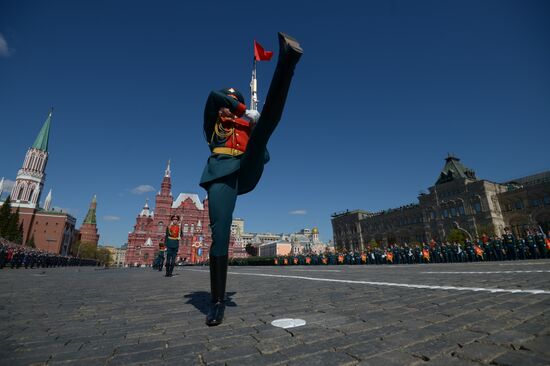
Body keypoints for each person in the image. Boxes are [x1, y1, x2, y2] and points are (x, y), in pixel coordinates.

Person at [199, 32, 302, 326]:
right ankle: (217, 301)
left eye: (235, 104)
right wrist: (242, 111)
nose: (229, 107)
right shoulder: (213, 122)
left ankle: (288, 62)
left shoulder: (247, 126)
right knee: (220, 234)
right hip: (221, 173)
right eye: (229, 105)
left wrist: (254, 127)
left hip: (246, 169)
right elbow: (213, 97)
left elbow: (264, 155)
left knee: (267, 125)